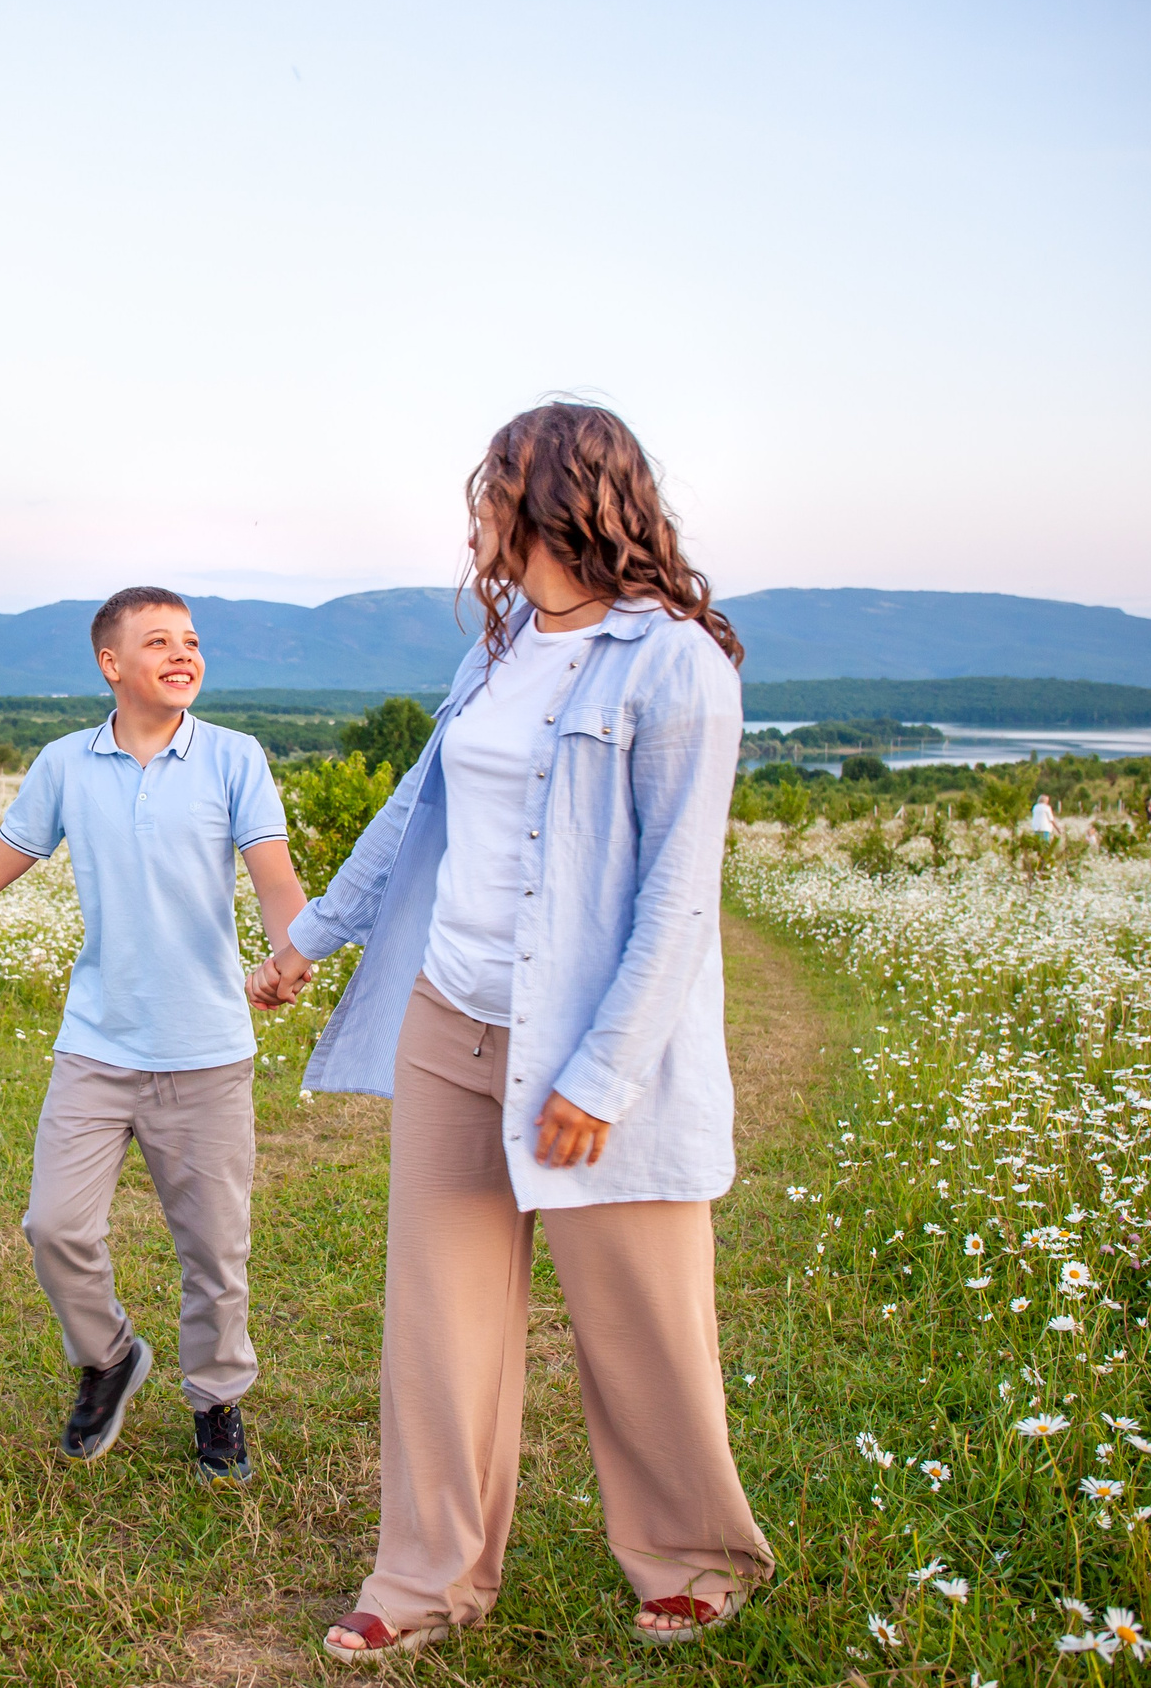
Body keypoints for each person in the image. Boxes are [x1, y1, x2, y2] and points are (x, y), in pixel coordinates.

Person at [251, 404, 771, 1657]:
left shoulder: (675, 662)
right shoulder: (494, 649)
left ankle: (694, 1555)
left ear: (554, 501)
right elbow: (411, 810)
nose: (475, 512)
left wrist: (600, 1072)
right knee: (439, 1317)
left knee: (639, 1315)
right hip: (451, 1017)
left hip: (596, 1046)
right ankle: (428, 1576)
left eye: (491, 488)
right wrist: (308, 941)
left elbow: (677, 895)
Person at [0, 587, 307, 1484]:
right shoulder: (66, 762)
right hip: (97, 1045)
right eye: (158, 642)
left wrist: (291, 950)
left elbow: (274, 876)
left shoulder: (233, 756)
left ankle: (217, 1399)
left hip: (206, 1051)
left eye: (190, 640)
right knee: (55, 1225)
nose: (183, 654)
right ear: (111, 664)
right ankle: (108, 1357)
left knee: (215, 1251)